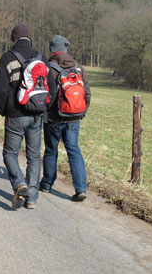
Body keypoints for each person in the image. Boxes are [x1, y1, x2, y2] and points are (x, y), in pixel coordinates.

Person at [0, 24, 56, 210]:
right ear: (30, 38)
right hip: (37, 115)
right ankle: (32, 198)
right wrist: (44, 107)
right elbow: (52, 89)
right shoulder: (41, 58)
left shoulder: (7, 58)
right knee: (34, 156)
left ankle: (19, 184)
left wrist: (3, 110)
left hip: (15, 115)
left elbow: (0, 90)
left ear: (13, 38)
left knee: (10, 153)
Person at [39, 35, 91, 201]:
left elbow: (46, 95)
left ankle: (47, 184)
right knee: (74, 151)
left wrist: (46, 113)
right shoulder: (78, 68)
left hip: (54, 118)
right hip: (74, 118)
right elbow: (87, 94)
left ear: (52, 50)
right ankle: (81, 188)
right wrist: (81, 113)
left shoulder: (49, 68)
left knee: (51, 151)